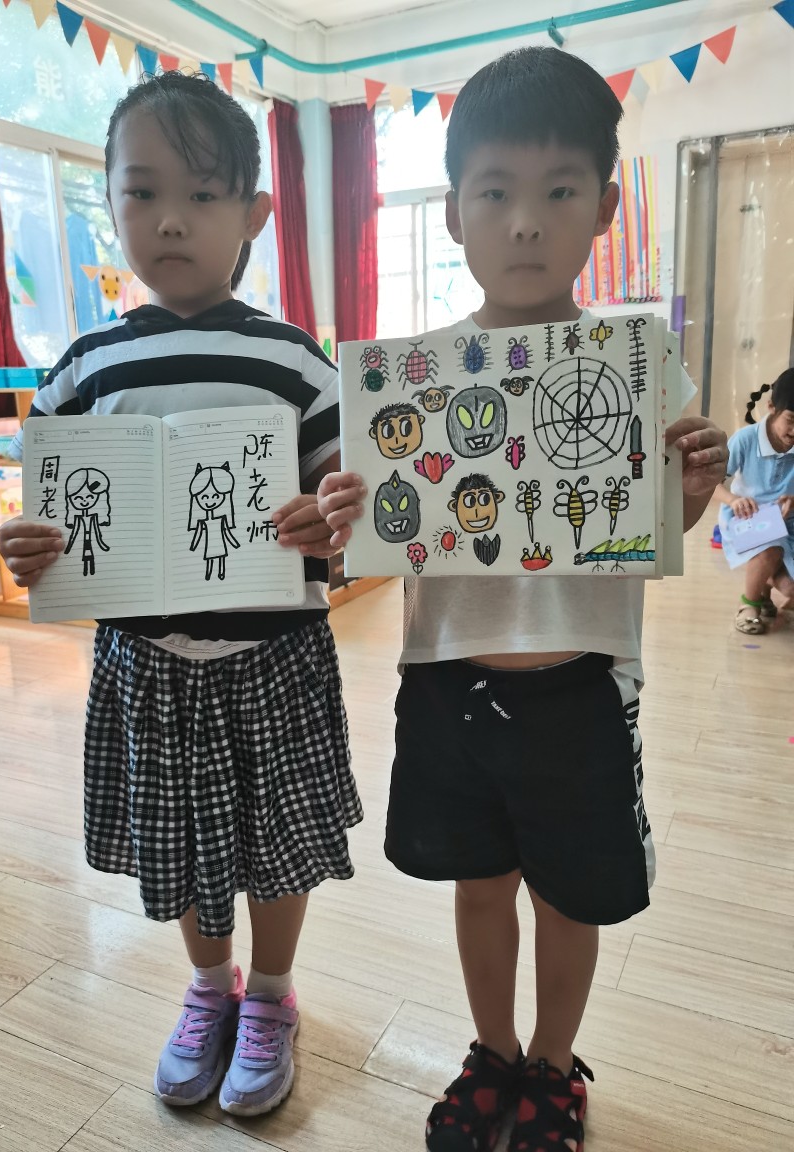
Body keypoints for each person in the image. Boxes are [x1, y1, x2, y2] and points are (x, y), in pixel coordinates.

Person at [318, 47, 728, 1152]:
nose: (527, 222)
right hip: (447, 682)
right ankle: (493, 1051)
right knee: (478, 884)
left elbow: (662, 527)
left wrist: (691, 484)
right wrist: (349, 508)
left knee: (570, 895)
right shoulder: (410, 380)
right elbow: (379, 534)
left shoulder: (638, 364)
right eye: (495, 191)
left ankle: (553, 1064)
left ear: (604, 208)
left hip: (583, 686)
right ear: (455, 211)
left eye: (559, 191)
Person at [0, 71, 361, 1119]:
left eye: (203, 195)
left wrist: (329, 522)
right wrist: (27, 547)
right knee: (188, 843)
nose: (169, 219)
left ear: (254, 214)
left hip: (275, 657)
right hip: (145, 664)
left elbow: (346, 507)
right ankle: (210, 989)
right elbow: (49, 518)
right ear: (107, 203)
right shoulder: (81, 370)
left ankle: (272, 997)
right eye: (142, 192)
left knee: (277, 841)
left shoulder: (295, 360)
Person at [715, 368, 794, 633]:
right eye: (791, 420)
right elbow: (712, 484)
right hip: (747, 517)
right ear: (771, 407)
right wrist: (733, 500)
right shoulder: (746, 439)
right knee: (771, 547)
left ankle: (765, 591)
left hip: (789, 521)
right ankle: (749, 603)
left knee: (790, 587)